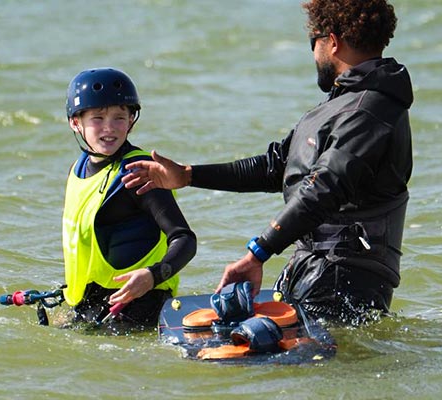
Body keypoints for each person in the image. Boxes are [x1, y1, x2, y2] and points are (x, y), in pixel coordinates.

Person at [122, 0, 412, 325]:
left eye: (313, 42)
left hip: (346, 278)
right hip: (317, 269)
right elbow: (275, 166)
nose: (313, 53)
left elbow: (324, 188)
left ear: (332, 40)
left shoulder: (368, 112)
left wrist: (257, 253)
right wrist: (188, 176)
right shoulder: (341, 107)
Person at [61, 68, 196, 327]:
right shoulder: (77, 170)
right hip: (92, 301)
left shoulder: (140, 172)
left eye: (119, 118)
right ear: (75, 122)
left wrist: (152, 276)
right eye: (97, 118)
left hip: (141, 302)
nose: (109, 128)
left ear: (131, 120)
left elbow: (185, 239)